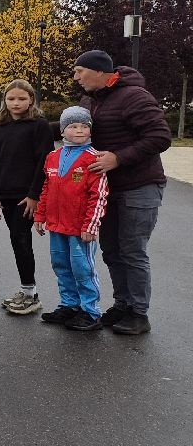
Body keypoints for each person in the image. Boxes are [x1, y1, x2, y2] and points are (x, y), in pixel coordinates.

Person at [73, 50, 172, 335]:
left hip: (140, 185)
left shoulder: (134, 96)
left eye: (80, 71)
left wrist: (118, 158)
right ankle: (122, 304)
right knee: (112, 250)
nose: (76, 78)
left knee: (132, 250)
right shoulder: (89, 101)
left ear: (99, 71)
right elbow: (75, 130)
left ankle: (139, 313)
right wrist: (30, 126)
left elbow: (159, 136)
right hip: (106, 190)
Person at [0, 80, 55, 316]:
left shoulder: (39, 126)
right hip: (6, 193)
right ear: (5, 100)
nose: (16, 103)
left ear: (31, 100)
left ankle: (30, 293)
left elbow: (44, 161)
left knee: (21, 239)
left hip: (27, 196)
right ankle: (26, 289)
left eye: (22, 99)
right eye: (11, 98)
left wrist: (35, 196)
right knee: (17, 240)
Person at [34, 107, 109, 333]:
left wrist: (91, 225)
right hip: (57, 226)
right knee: (61, 266)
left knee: (82, 268)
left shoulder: (94, 159)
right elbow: (46, 188)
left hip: (80, 229)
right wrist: (40, 215)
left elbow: (99, 194)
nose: (80, 130)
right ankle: (69, 305)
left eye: (85, 126)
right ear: (63, 131)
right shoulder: (53, 157)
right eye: (73, 126)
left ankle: (91, 312)